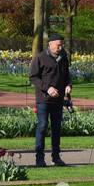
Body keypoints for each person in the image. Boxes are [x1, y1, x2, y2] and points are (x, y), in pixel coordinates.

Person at [29, 33, 71, 167]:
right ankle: (39, 158)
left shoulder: (63, 58)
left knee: (56, 129)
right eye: (58, 45)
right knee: (42, 126)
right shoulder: (40, 58)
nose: (60, 47)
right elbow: (33, 77)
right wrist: (47, 89)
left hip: (58, 100)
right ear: (50, 44)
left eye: (62, 45)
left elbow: (66, 75)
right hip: (43, 99)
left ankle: (56, 157)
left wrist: (68, 85)